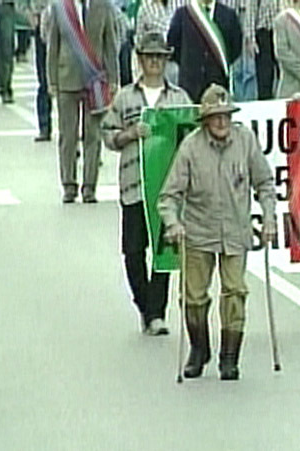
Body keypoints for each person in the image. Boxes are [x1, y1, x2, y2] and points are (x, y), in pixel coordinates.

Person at [158, 84, 276, 381]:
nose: (222, 122)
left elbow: (264, 183)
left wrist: (270, 218)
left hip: (236, 231)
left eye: (226, 115)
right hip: (199, 232)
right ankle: (199, 349)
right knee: (193, 296)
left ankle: (229, 356)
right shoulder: (191, 148)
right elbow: (169, 196)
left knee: (235, 292)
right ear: (205, 120)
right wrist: (173, 223)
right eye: (215, 116)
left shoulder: (246, 140)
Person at [101, 32, 191, 336]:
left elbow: (192, 136)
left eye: (160, 57)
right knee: (133, 250)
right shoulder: (125, 97)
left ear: (166, 61)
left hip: (167, 186)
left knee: (163, 251)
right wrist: (128, 134)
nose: (154, 62)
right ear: (140, 60)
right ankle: (144, 304)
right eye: (149, 57)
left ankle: (157, 313)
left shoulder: (178, 97)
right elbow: (107, 133)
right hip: (133, 184)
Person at [47, 0, 119, 203]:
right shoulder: (61, 7)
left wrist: (113, 79)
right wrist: (52, 80)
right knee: (68, 137)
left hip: (95, 80)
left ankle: (90, 187)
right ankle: (69, 186)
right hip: (66, 79)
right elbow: (53, 44)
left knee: (93, 136)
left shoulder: (103, 6)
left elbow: (110, 44)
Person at [167, 0, 242, 102]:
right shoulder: (182, 15)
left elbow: (235, 48)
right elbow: (173, 46)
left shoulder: (229, 15)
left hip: (219, 86)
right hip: (190, 88)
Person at [30, 0, 52, 141]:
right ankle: (44, 126)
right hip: (45, 24)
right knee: (44, 81)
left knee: (71, 86)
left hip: (69, 23)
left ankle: (71, 134)